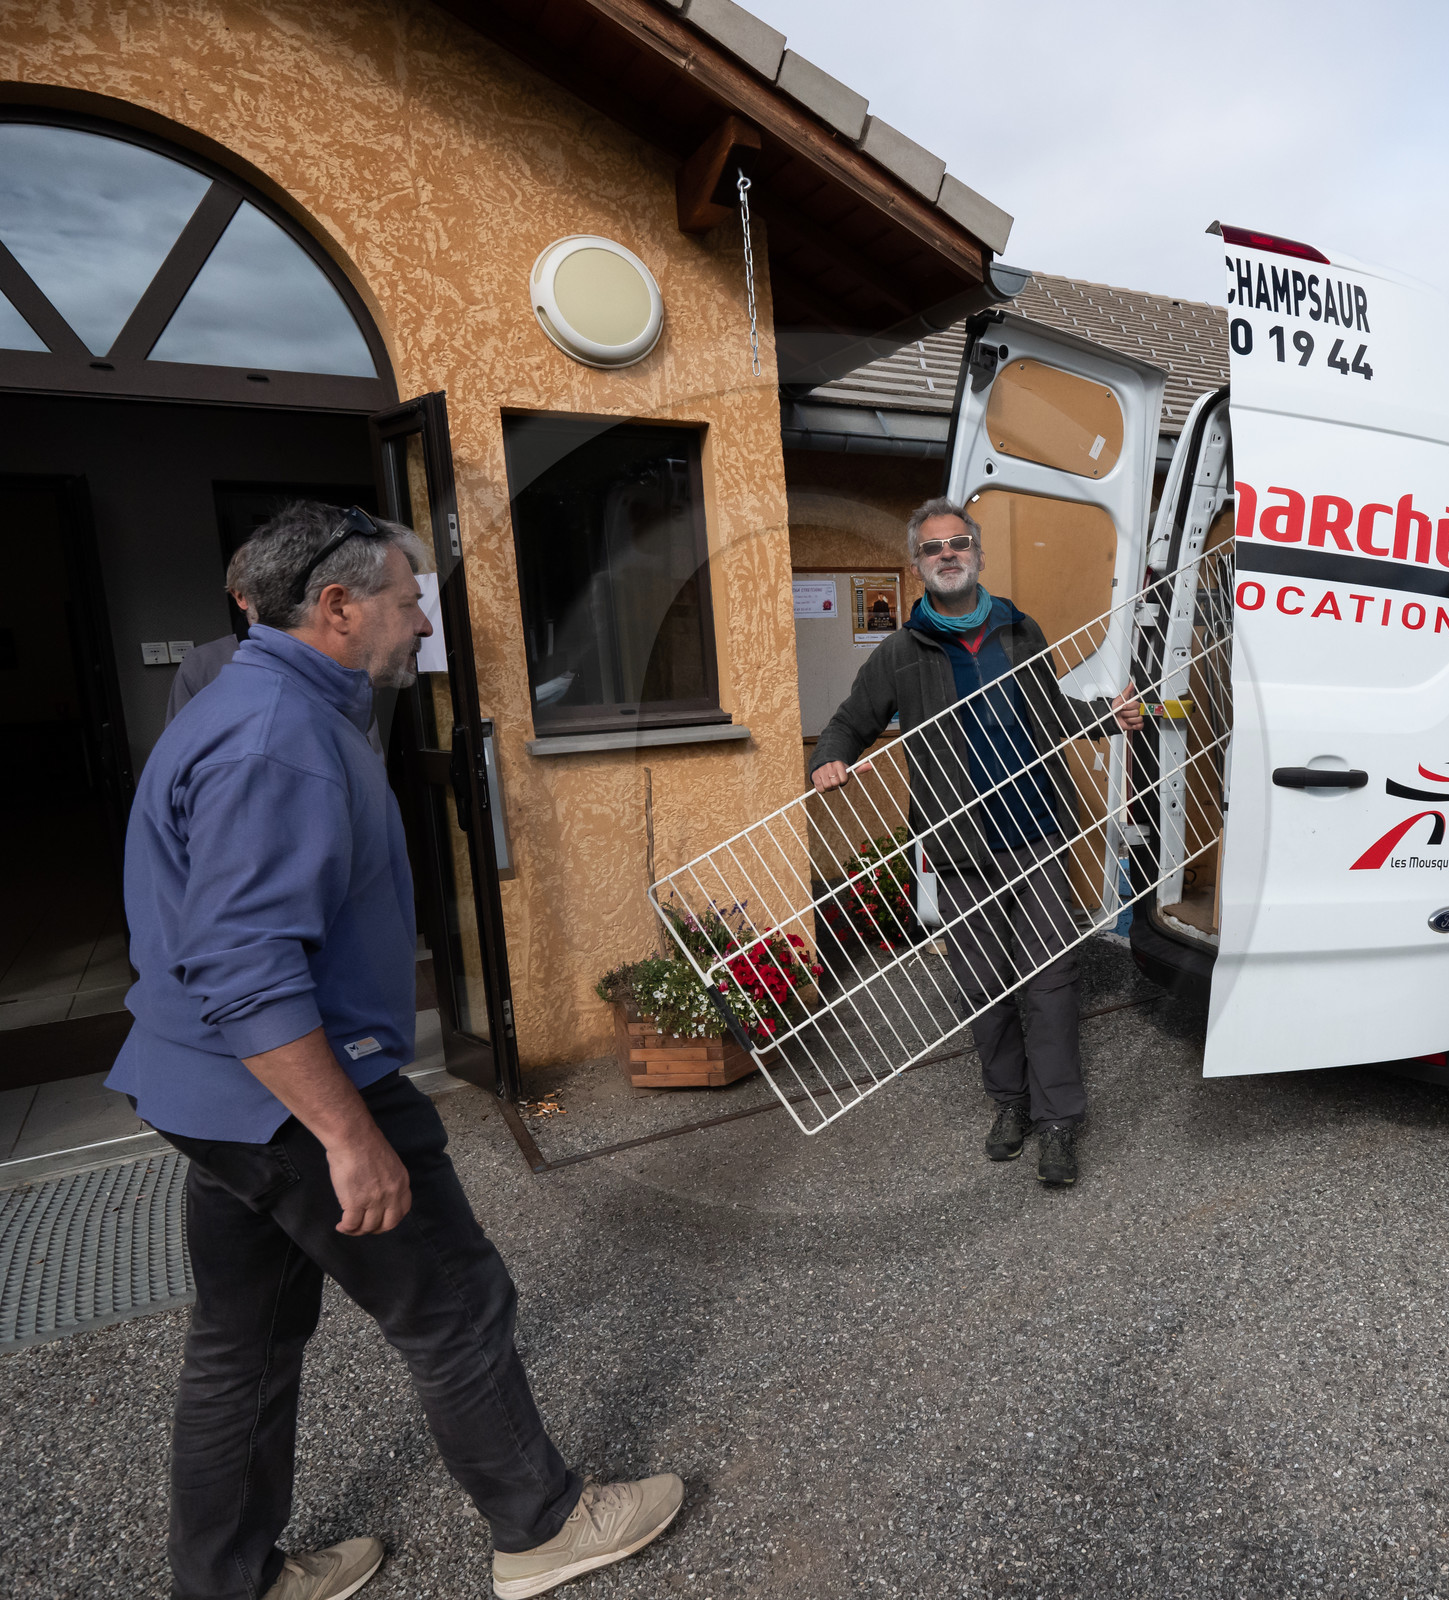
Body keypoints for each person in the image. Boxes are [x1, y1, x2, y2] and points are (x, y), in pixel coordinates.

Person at [109, 501, 682, 1600]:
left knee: (247, 1338)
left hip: (216, 1091)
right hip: (290, 1093)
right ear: (338, 605)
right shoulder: (277, 738)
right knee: (455, 1302)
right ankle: (543, 1526)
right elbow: (245, 964)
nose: (423, 623)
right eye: (410, 601)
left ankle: (229, 1580)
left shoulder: (252, 693)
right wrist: (345, 1134)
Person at [810, 496, 1143, 1187]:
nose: (946, 555)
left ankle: (1058, 1123)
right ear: (917, 564)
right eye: (932, 548)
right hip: (962, 850)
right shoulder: (900, 654)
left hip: (1040, 836)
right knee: (984, 986)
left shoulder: (1021, 630)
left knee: (1052, 982)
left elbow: (1052, 715)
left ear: (977, 553)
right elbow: (849, 721)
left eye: (957, 543)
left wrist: (1109, 717)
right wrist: (830, 757)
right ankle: (1011, 1106)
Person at [166, 564, 385, 757]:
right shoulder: (203, 663)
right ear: (240, 596)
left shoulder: (330, 653)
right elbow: (177, 752)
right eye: (264, 586)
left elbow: (366, 745)